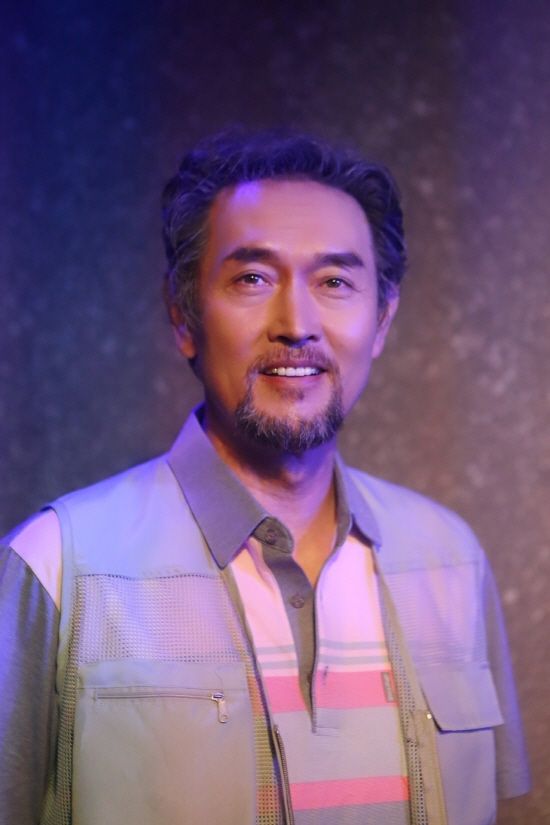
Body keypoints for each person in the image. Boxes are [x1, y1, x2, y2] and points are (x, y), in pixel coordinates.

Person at [0, 130, 530, 825]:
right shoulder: (58, 565)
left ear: (382, 320)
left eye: (335, 282)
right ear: (183, 315)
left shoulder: (451, 558)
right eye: (252, 278)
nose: (297, 324)